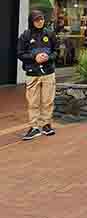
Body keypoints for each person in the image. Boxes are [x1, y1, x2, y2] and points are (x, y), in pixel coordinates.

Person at [17, 10, 59, 140]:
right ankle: (34, 127)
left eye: (41, 19)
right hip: (32, 73)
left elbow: (56, 51)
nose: (40, 22)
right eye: (36, 20)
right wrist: (34, 57)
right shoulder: (25, 35)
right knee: (33, 102)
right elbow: (20, 53)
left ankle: (46, 125)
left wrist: (48, 57)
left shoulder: (50, 34)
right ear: (32, 21)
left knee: (48, 100)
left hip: (48, 73)